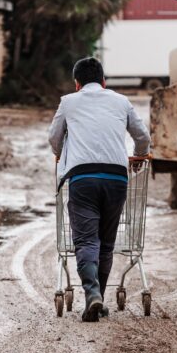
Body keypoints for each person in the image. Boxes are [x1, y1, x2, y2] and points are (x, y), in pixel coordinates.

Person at [48, 57, 151, 322]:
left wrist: (63, 155)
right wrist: (138, 159)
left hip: (83, 178)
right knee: (106, 244)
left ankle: (93, 294)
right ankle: (98, 299)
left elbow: (54, 138)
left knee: (85, 241)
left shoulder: (68, 102)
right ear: (104, 82)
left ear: (77, 83)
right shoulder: (121, 101)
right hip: (117, 178)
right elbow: (143, 137)